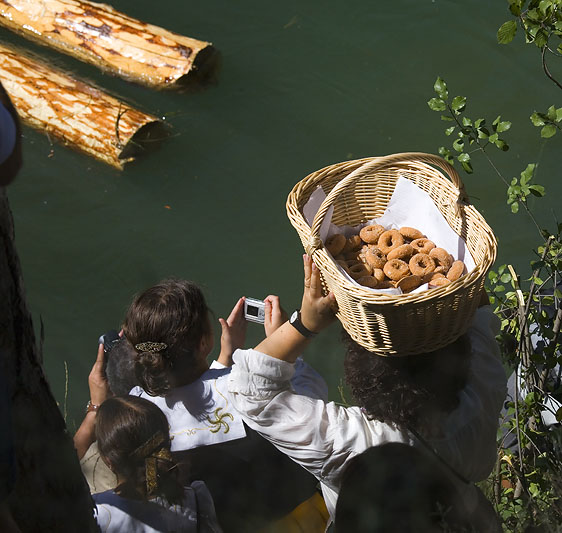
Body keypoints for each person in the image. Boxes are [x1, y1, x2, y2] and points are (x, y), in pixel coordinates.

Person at [227, 255, 507, 530]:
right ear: (457, 358)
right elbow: (477, 313)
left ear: (362, 373)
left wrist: (302, 326)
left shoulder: (351, 443)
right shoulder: (482, 390)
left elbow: (250, 390)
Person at [123, 279, 329, 532]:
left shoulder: (136, 409)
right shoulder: (246, 385)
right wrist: (284, 347)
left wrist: (224, 361)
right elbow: (310, 403)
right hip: (294, 517)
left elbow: (194, 398)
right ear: (204, 342)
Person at [93, 395, 222, 532]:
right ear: (165, 443)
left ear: (109, 462)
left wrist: (91, 417)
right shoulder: (194, 500)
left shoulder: (96, 513)